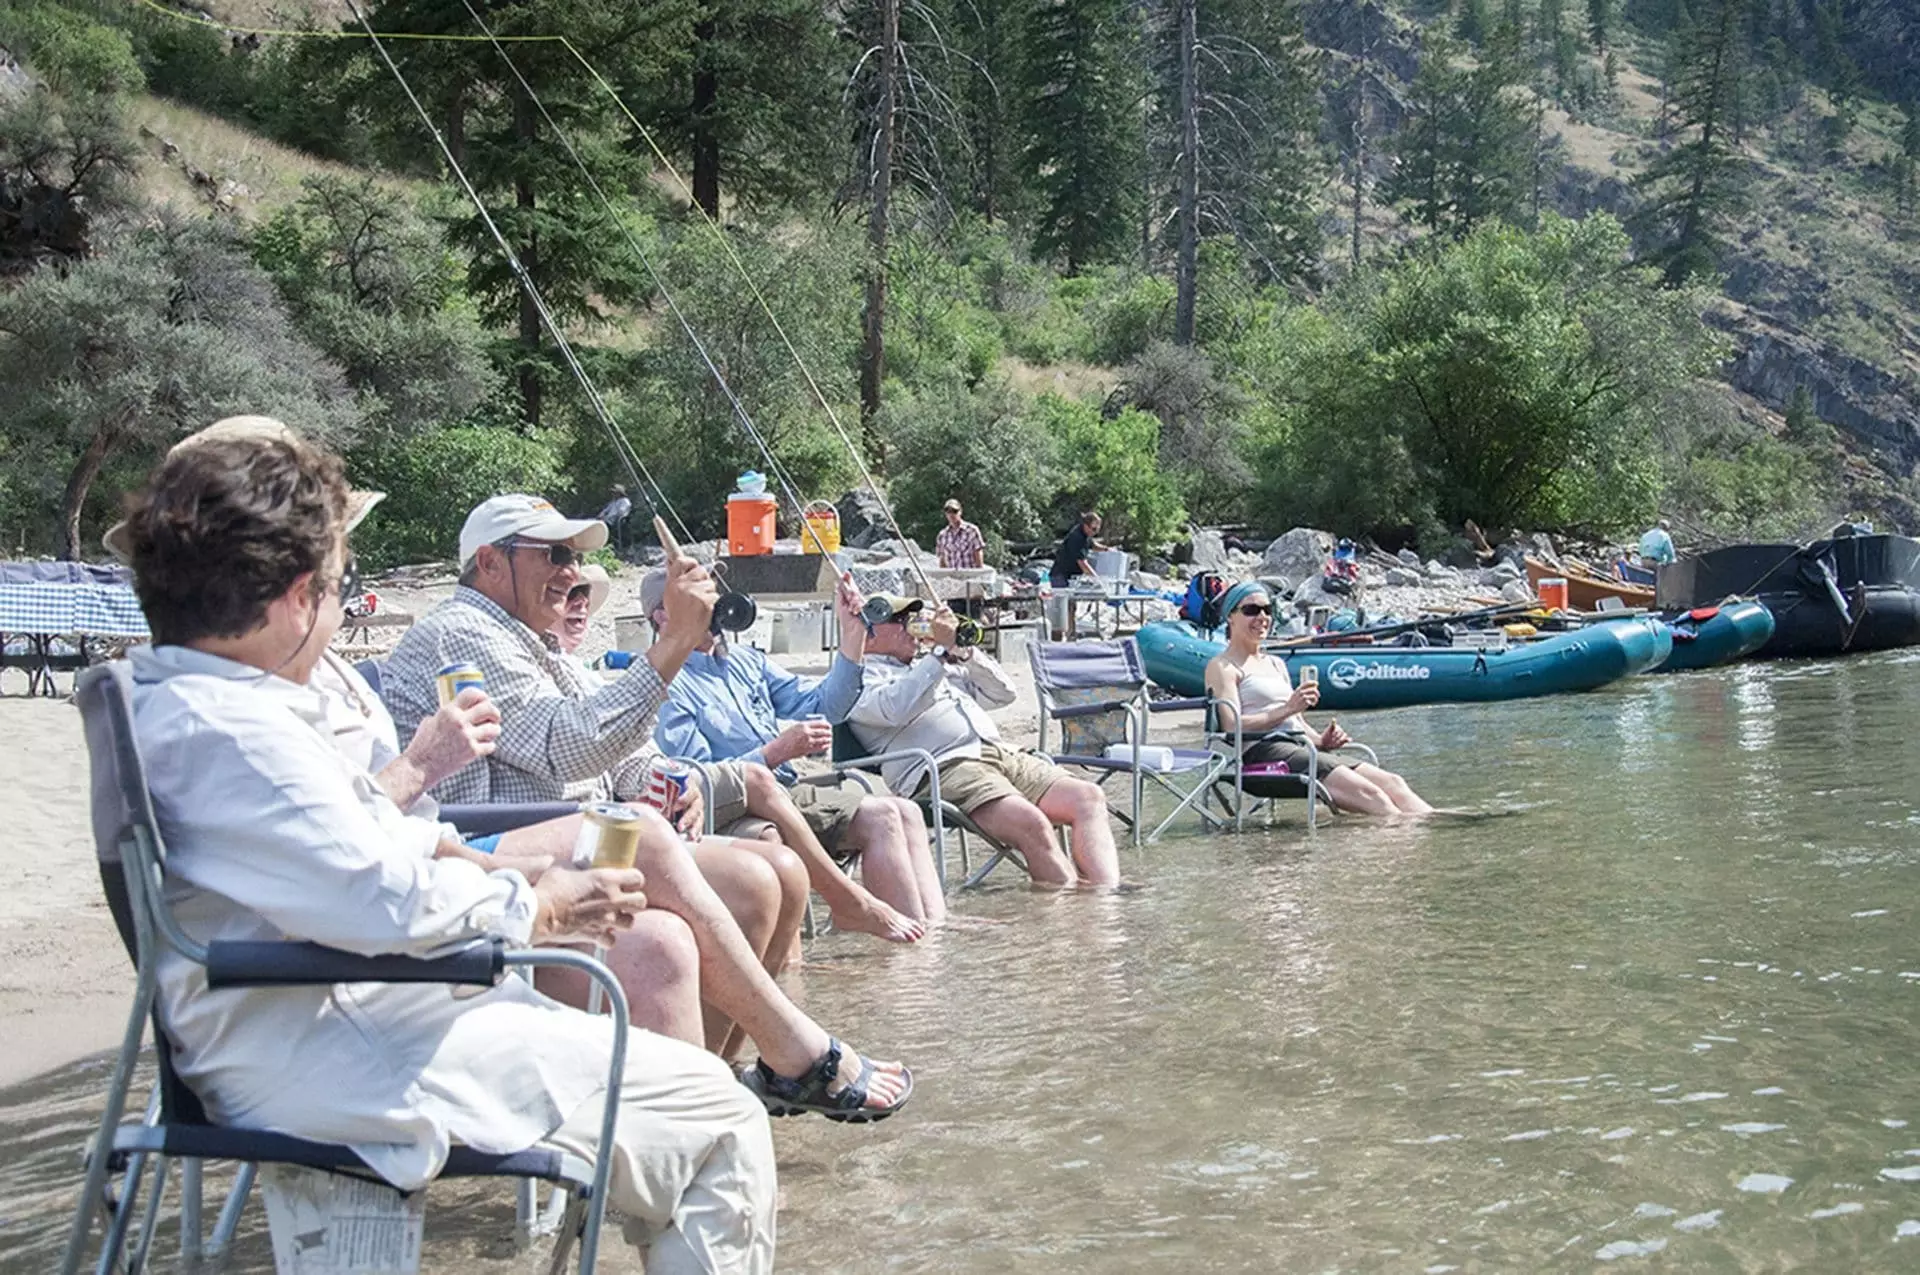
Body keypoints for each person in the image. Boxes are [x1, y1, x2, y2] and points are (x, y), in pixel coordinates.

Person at [117, 426, 780, 1270]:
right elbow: (384, 898)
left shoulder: (181, 699)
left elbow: (357, 842)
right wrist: (542, 903)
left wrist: (507, 869)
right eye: (340, 582)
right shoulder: (241, 731)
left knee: (690, 1088)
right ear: (296, 597)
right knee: (720, 1121)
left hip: (304, 1017)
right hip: (340, 1042)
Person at [649, 570, 949, 929]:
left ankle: (932, 933)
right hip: (728, 809)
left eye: (713, 597)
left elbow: (828, 705)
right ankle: (872, 920)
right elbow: (698, 778)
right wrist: (776, 752)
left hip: (786, 791)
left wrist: (852, 636)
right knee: (786, 836)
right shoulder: (663, 682)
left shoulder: (746, 661)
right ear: (662, 617)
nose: (714, 608)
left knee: (902, 812)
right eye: (699, 601)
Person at [848, 595, 1121, 887]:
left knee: (1087, 797)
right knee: (1030, 822)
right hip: (940, 770)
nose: (911, 626)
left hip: (994, 751)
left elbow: (1003, 693)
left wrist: (964, 652)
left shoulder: (932, 665)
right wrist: (938, 654)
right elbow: (895, 708)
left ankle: (1105, 898)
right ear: (868, 632)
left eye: (912, 619)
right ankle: (1069, 903)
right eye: (901, 620)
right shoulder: (856, 679)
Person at [1204, 581, 1431, 817]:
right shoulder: (1222, 666)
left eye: (1267, 610)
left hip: (1301, 747)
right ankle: (1400, 836)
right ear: (1230, 617)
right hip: (1263, 753)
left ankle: (1435, 825)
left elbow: (1297, 724)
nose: (1262, 617)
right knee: (1372, 795)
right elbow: (1232, 726)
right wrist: (1288, 708)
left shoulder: (1275, 663)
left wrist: (1323, 739)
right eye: (1251, 610)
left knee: (1394, 783)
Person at [1047, 511, 1105, 639]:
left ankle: (1071, 634)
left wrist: (1106, 549)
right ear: (1086, 525)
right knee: (1062, 607)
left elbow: (1092, 544)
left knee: (1072, 606)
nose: (1095, 532)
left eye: (1097, 530)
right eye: (1093, 529)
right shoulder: (1076, 537)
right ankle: (1058, 636)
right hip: (1060, 575)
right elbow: (1082, 563)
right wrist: (1097, 579)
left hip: (1071, 577)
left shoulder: (1085, 535)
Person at [936, 499, 985, 570]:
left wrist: (979, 573)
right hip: (952, 576)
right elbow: (942, 560)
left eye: (954, 511)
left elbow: (978, 555)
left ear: (960, 512)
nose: (951, 514)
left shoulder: (972, 530)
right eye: (948, 511)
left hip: (970, 575)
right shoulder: (942, 535)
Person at [597, 484, 633, 553]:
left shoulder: (625, 501)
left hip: (615, 521)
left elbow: (621, 512)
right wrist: (601, 515)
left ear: (619, 493)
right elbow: (606, 510)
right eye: (612, 492)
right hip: (606, 520)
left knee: (600, 527)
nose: (613, 494)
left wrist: (607, 517)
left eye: (614, 492)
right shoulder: (613, 502)